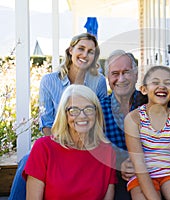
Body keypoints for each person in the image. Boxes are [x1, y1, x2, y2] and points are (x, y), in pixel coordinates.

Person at [9, 32, 107, 200]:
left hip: (86, 143)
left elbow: (99, 118)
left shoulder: (99, 81)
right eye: (81, 49)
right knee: (26, 162)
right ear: (70, 50)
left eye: (91, 51)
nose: (85, 55)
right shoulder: (49, 81)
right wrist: (58, 149)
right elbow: (46, 121)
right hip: (56, 141)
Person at [23, 84, 117, 199]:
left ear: (96, 114)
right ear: (64, 115)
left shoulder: (106, 152)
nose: (82, 116)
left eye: (88, 109)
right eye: (74, 110)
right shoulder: (44, 148)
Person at [124, 66, 170, 200]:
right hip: (142, 175)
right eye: (155, 82)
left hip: (169, 173)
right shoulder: (133, 119)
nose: (162, 86)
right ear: (144, 89)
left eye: (168, 83)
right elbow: (139, 163)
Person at [100, 49, 146, 200]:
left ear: (136, 74)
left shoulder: (150, 104)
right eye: (115, 74)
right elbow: (95, 151)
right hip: (115, 179)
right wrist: (119, 166)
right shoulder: (99, 110)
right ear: (108, 78)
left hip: (152, 173)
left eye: (126, 72)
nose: (121, 78)